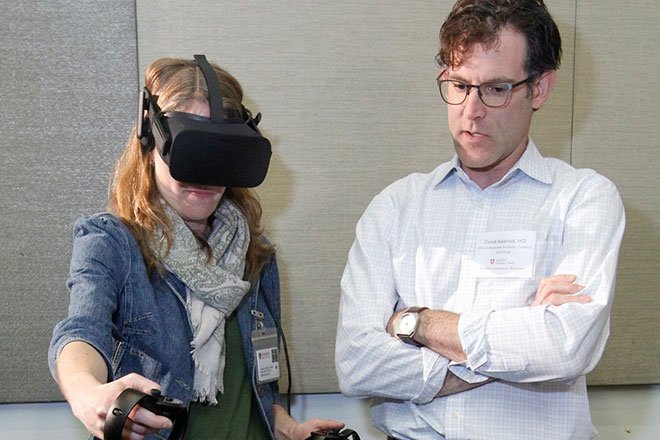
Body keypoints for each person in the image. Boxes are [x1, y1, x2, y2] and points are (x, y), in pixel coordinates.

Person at [335, 1, 625, 439]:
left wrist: (416, 324)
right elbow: (357, 363)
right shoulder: (396, 206)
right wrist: (519, 342)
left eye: (496, 89)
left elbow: (566, 347)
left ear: (540, 89)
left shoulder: (584, 200)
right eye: (458, 85)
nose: (471, 112)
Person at [49, 56, 343, 440]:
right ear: (150, 141)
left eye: (220, 153)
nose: (204, 176)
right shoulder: (112, 243)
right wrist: (86, 393)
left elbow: (259, 385)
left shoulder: (255, 256)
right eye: (191, 150)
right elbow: (81, 331)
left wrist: (286, 427)